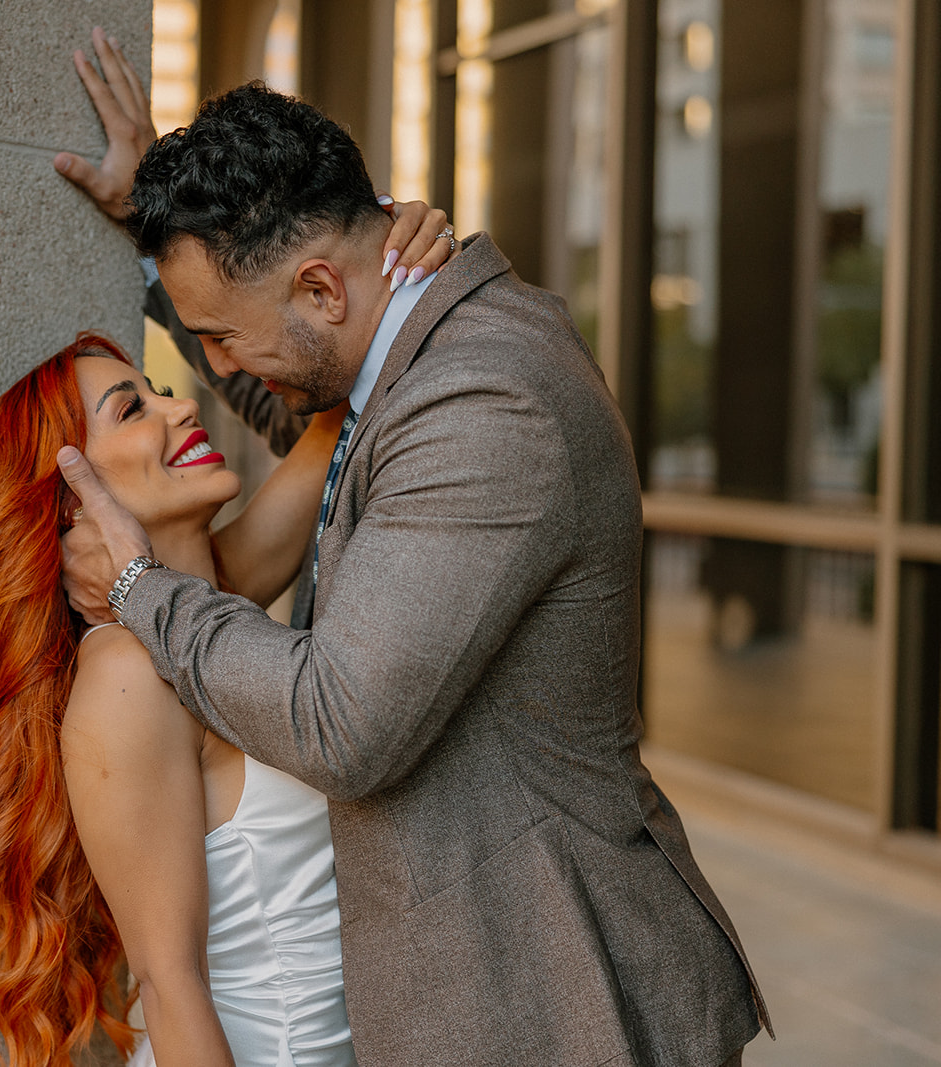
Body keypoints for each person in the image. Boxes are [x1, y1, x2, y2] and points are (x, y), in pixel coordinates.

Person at [55, 52, 772, 1067]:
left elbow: (337, 725)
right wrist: (149, 220)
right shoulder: (400, 348)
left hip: (552, 993)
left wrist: (139, 586)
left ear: (320, 286)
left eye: (217, 338)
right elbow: (291, 388)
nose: (209, 374)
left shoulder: (483, 400)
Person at [0, 161, 454, 1066]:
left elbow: (345, 382)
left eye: (156, 385)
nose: (179, 406)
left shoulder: (210, 598)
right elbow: (173, 1000)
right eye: (133, 406)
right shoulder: (129, 679)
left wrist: (391, 236)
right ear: (66, 502)